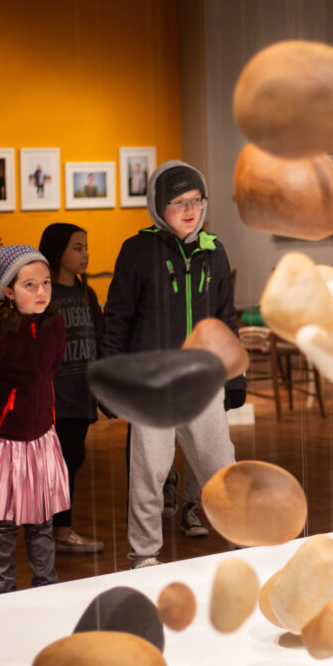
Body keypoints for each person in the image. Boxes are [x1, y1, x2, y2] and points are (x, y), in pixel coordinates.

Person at [103, 161, 238, 568]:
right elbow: (118, 319)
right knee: (149, 474)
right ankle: (144, 555)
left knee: (223, 469)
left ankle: (242, 539)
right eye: (178, 202)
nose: (189, 210)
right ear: (159, 206)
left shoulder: (213, 250)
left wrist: (235, 378)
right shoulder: (137, 250)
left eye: (196, 200)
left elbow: (226, 318)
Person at [0, 246, 67, 594]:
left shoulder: (54, 325)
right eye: (30, 285)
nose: (41, 292)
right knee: (4, 523)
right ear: (8, 292)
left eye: (46, 283)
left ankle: (46, 585)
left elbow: (52, 369)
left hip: (40, 438)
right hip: (4, 442)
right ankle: (3, 591)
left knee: (42, 521)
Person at [39, 223, 105, 554]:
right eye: (77, 248)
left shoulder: (85, 294)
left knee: (72, 457)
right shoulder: (44, 295)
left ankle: (54, 529)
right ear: (57, 252)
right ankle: (59, 531)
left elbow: (100, 338)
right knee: (64, 459)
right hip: (54, 397)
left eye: (86, 247)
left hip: (82, 394)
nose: (85, 254)